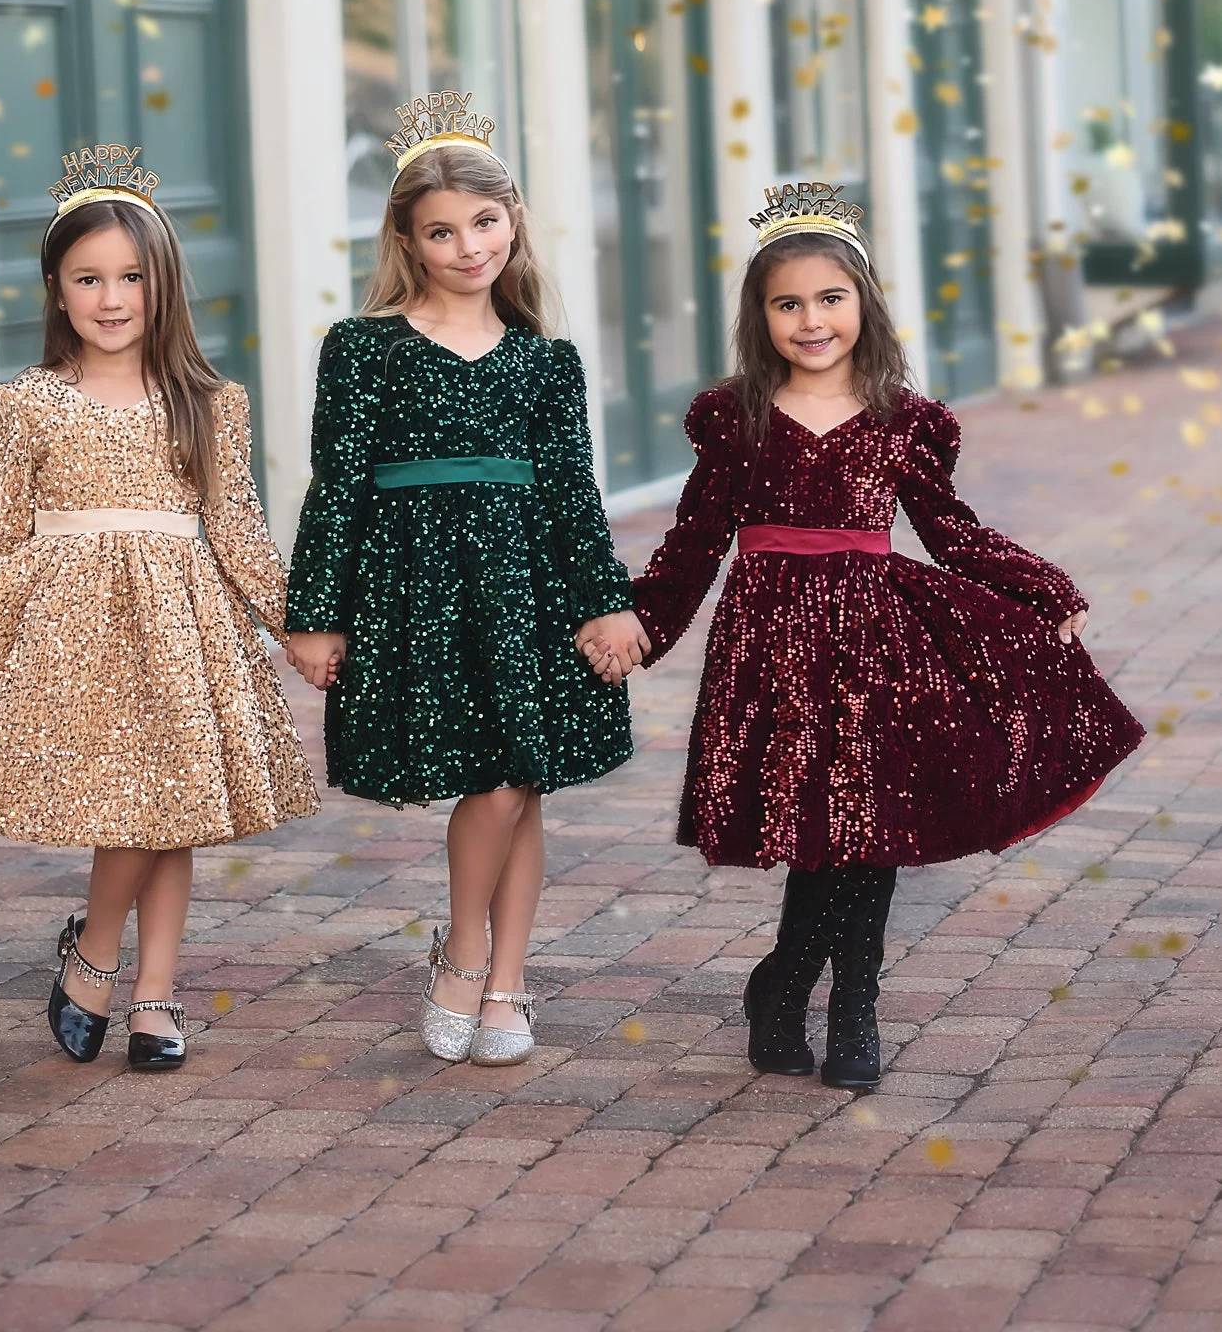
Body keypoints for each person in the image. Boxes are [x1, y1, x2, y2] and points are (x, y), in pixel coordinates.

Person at [588, 183, 1145, 1092]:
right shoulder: (735, 417)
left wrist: (1039, 584)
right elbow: (693, 543)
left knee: (868, 825)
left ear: (864, 302)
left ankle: (850, 1003)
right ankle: (784, 987)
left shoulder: (903, 420)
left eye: (829, 299)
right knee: (819, 830)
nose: (811, 321)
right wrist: (643, 624)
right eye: (788, 304)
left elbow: (952, 530)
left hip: (872, 647)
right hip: (770, 648)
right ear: (760, 316)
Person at [0, 154, 318, 1072]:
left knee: (173, 810)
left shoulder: (208, 403)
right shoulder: (27, 404)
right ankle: (97, 954)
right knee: (131, 806)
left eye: (130, 277)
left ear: (162, 284)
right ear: (56, 289)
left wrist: (295, 622)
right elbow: (4, 533)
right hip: (75, 632)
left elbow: (238, 527)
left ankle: (150, 992)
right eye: (88, 279)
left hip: (180, 628)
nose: (111, 298)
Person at [284, 95, 648, 1067]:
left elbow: (572, 491)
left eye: (483, 222)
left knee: (519, 777)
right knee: (494, 779)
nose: (467, 245)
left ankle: (498, 976)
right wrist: (312, 614)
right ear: (406, 238)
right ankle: (468, 952)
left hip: (526, 585)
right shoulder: (365, 347)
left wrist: (605, 599)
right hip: (420, 588)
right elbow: (336, 483)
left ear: (513, 220)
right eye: (440, 230)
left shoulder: (545, 360)